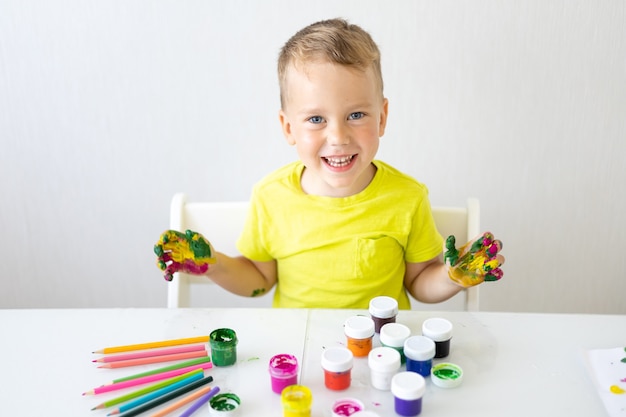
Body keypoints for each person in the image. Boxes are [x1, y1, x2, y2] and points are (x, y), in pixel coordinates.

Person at [154, 18, 504, 309]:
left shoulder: (408, 197)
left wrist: (451, 276)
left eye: (355, 114)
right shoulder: (270, 196)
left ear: (382, 117)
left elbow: (417, 285)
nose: (337, 137)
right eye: (316, 119)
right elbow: (259, 281)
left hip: (379, 352)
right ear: (288, 127)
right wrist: (213, 265)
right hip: (298, 355)